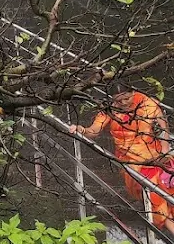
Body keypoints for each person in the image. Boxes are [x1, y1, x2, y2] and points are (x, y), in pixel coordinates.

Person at [73, 90, 174, 233]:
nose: (123, 103)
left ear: (133, 92)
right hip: (133, 163)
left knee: (169, 192)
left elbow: (164, 131)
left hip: (157, 158)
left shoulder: (147, 103)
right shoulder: (109, 109)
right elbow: (94, 131)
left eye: (127, 98)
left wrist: (164, 154)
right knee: (157, 201)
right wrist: (81, 129)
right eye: (118, 101)